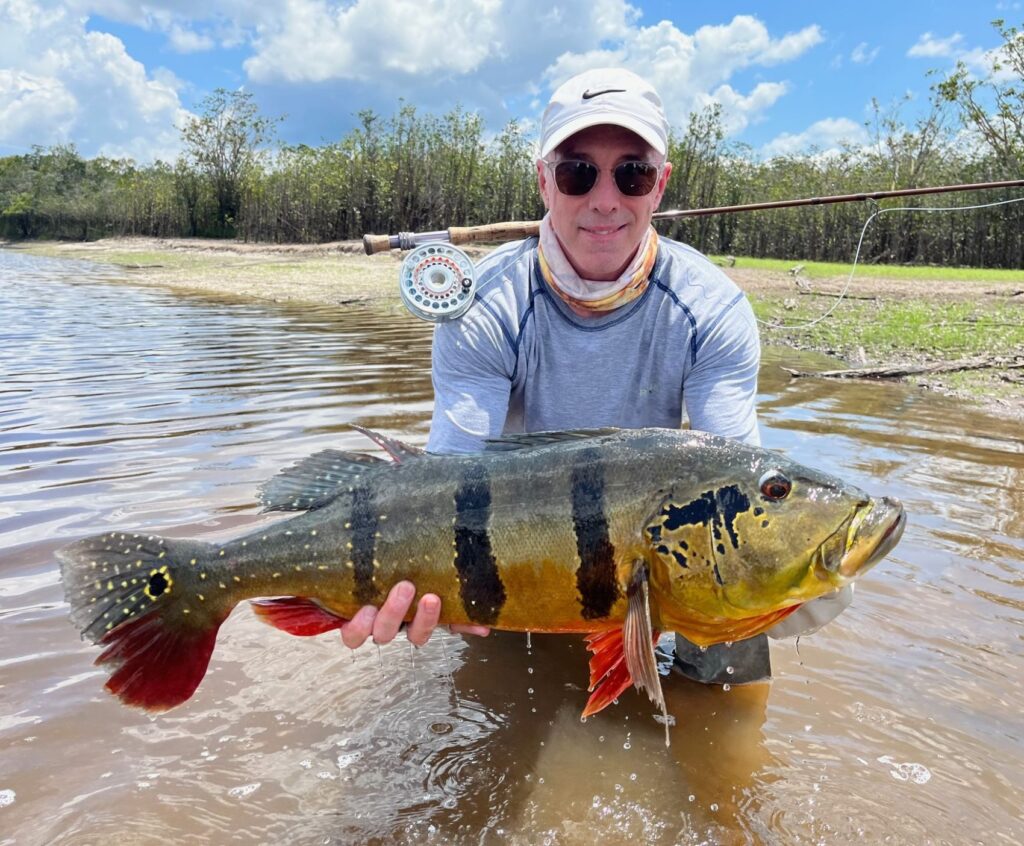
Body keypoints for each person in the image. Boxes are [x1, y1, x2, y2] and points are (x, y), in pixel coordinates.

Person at [339, 67, 850, 679]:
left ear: (659, 186)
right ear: (543, 182)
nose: (605, 199)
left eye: (631, 173)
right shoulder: (489, 304)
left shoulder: (711, 308)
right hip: (511, 546)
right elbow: (449, 476)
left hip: (661, 547)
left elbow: (733, 478)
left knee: (743, 613)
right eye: (577, 172)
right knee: (480, 669)